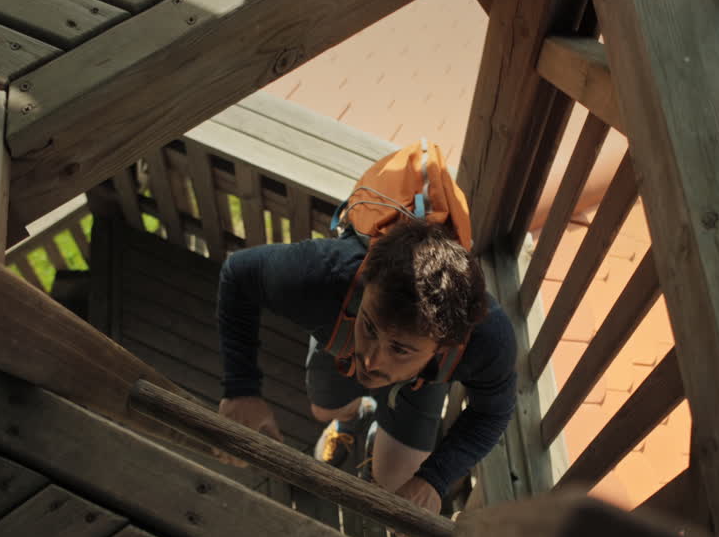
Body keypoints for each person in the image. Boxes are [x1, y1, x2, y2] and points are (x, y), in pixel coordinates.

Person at [216, 217, 516, 514]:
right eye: (370, 326)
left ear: (444, 347)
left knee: (393, 480)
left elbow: (492, 412)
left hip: (415, 378)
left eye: (400, 349)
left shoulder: (487, 340)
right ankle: (356, 416)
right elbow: (238, 274)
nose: (372, 361)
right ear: (364, 284)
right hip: (345, 343)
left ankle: (375, 432)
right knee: (323, 410)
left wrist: (434, 478)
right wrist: (241, 388)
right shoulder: (323, 273)